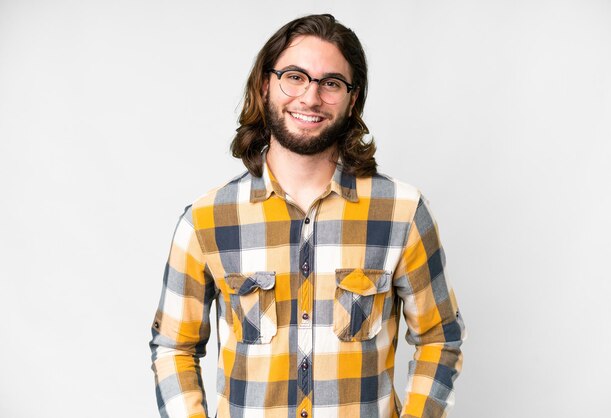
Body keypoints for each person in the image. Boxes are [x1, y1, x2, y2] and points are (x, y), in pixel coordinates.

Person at [149, 13, 465, 418]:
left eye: (331, 83)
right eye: (295, 76)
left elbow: (440, 338)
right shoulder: (207, 220)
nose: (311, 98)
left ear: (353, 100)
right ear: (265, 84)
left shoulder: (402, 212)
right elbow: (174, 346)